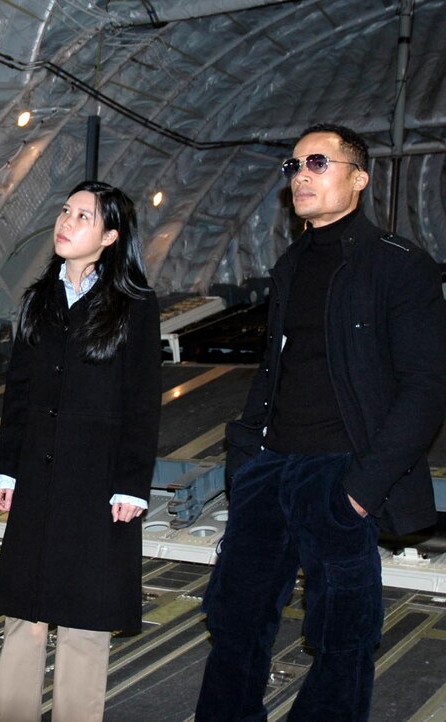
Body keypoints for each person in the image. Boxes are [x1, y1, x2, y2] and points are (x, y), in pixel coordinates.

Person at [195, 123, 446, 721]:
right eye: (293, 166)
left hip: (339, 475)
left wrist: (361, 490)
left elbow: (427, 388)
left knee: (342, 635)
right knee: (234, 620)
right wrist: (246, 461)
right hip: (268, 468)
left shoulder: (399, 265)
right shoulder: (290, 264)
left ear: (359, 179)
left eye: (317, 163)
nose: (300, 175)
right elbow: (275, 369)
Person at [0, 181, 161, 722]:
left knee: (86, 616)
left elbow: (142, 402)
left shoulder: (134, 305)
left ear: (110, 236)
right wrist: (7, 470)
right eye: (65, 211)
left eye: (84, 216)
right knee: (26, 610)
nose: (66, 222)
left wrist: (132, 484)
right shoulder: (39, 298)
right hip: (38, 472)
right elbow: (19, 393)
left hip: (97, 479)